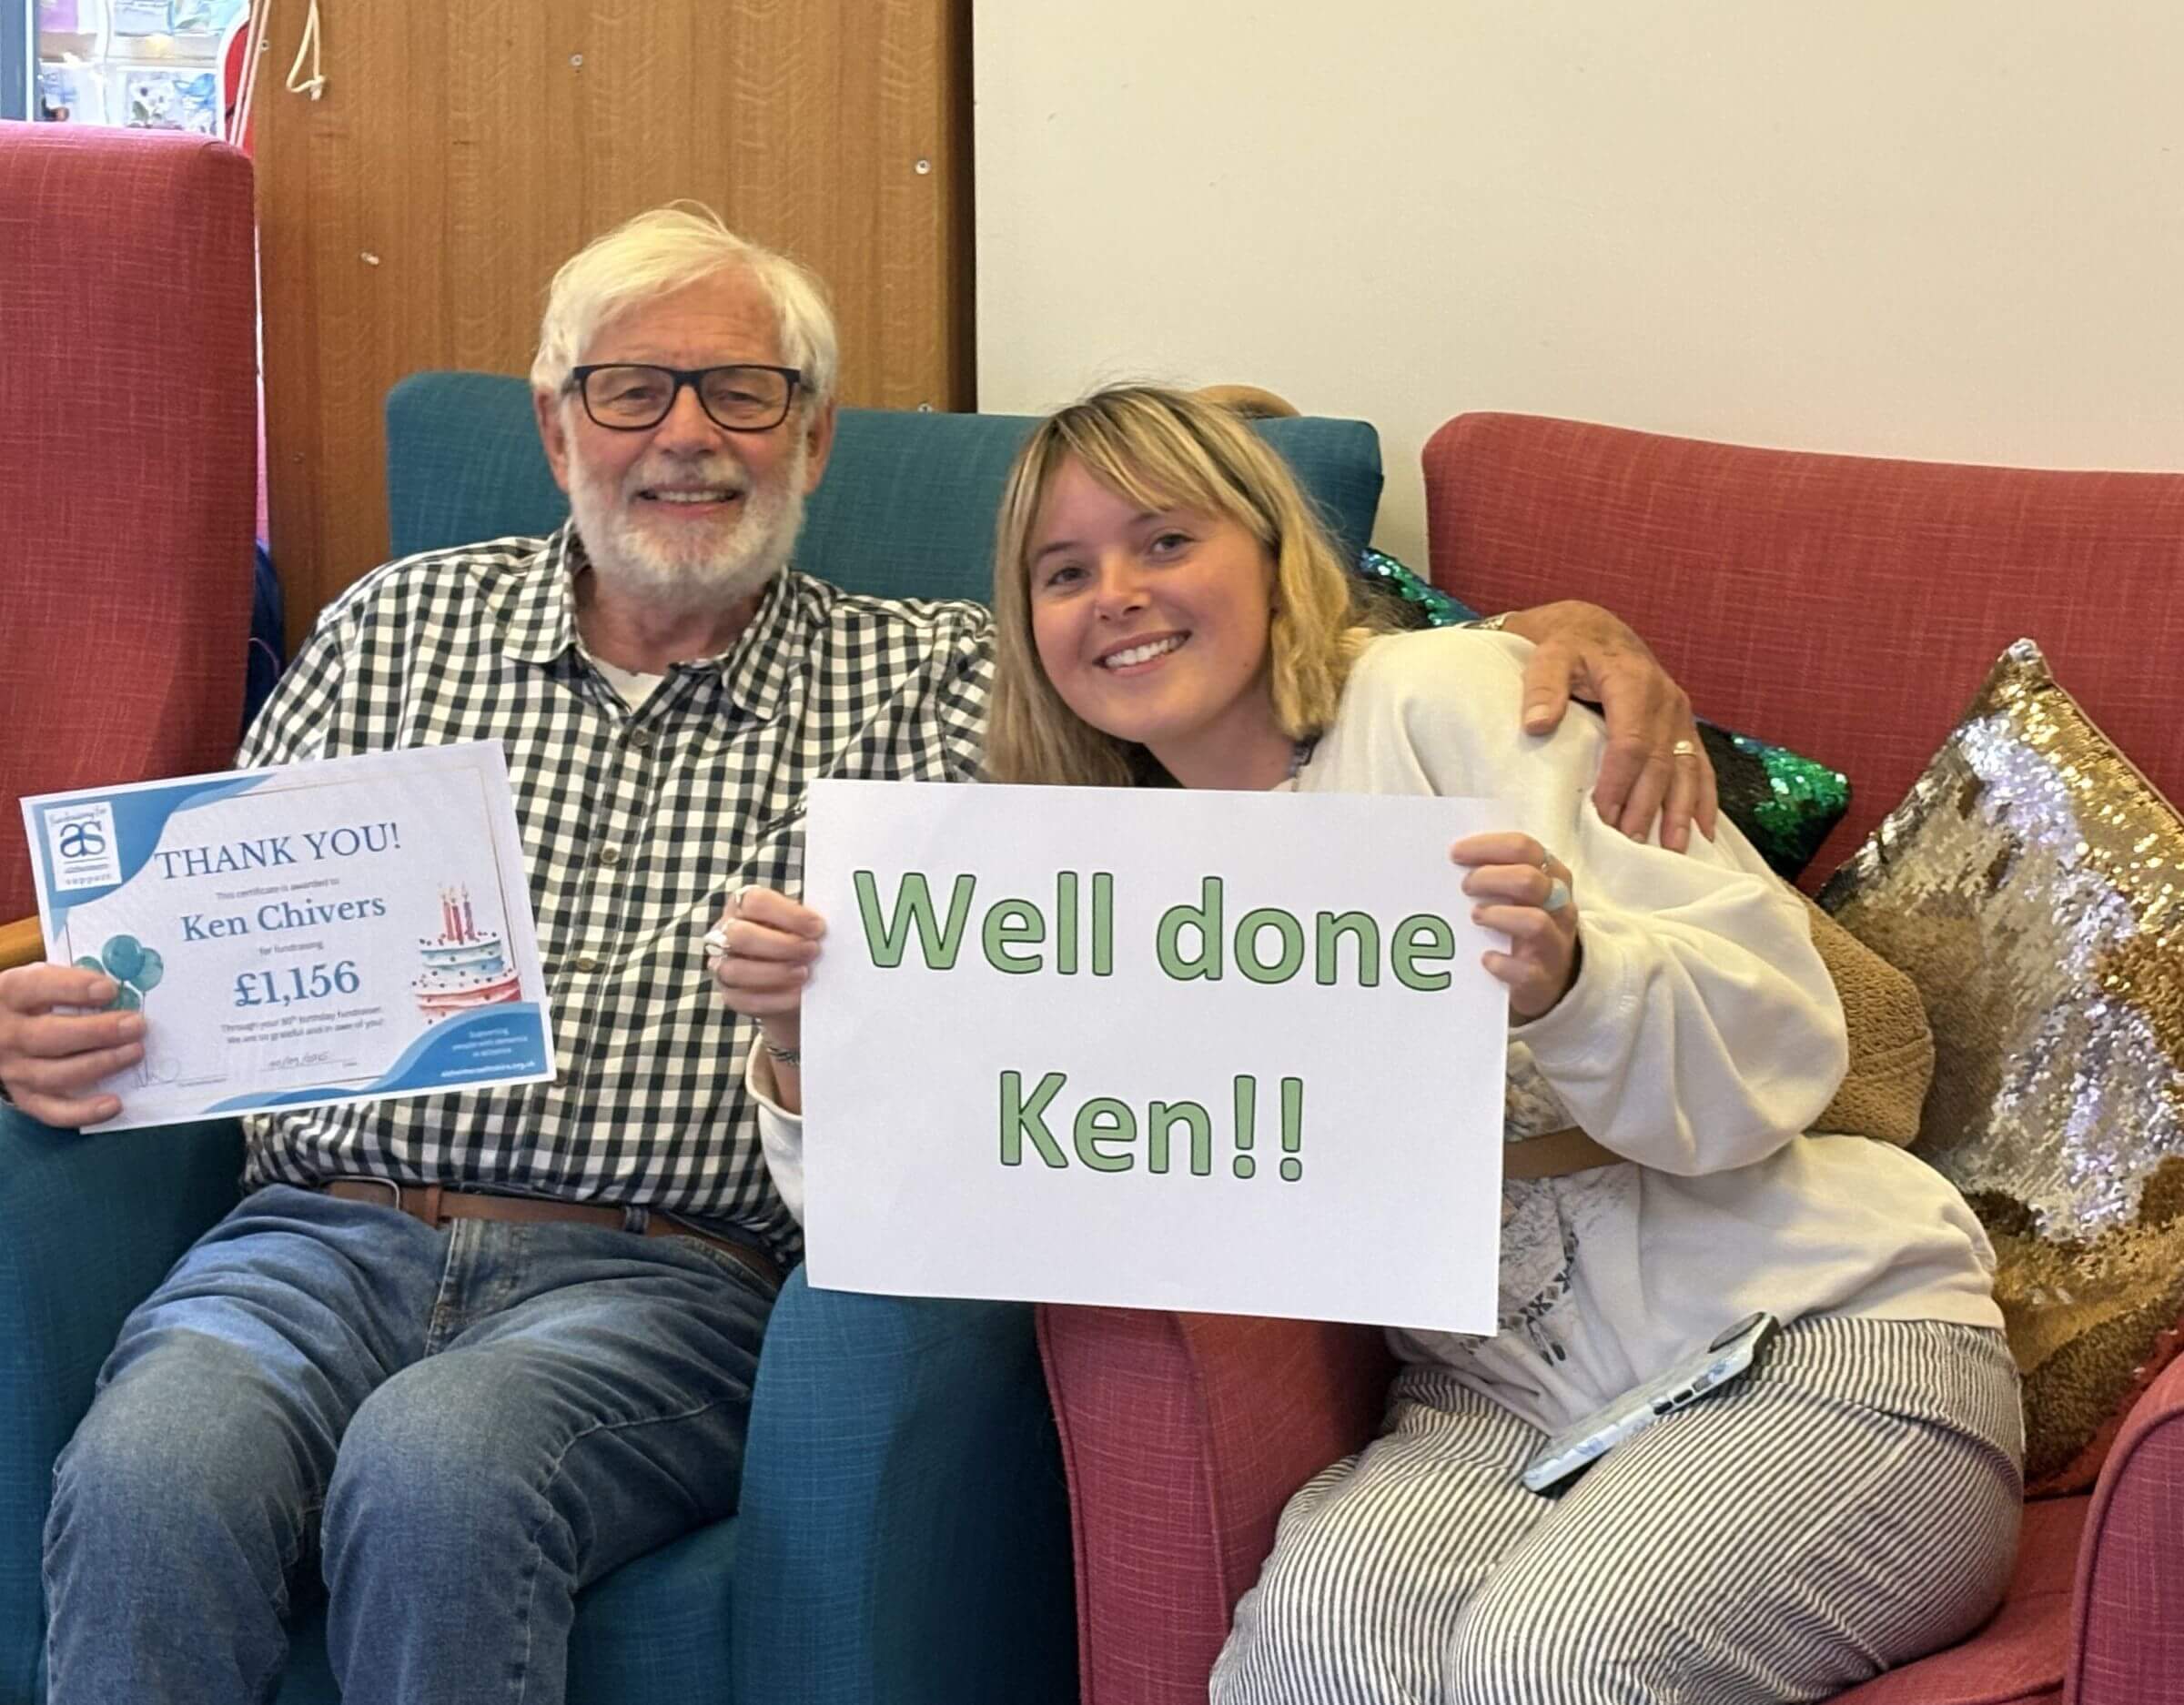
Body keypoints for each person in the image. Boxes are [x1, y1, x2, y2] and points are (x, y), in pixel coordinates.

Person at [0, 211, 1715, 1705]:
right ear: (555, 427)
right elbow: (201, 939)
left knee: (443, 1466)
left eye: (744, 392)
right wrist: (81, 1018)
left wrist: (1561, 639)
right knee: (153, 1468)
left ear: (814, 441)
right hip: (316, 1231)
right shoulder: (391, 623)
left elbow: (1256, 692)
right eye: (631, 387)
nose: (687, 434)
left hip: (663, 1279)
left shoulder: (953, 680)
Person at [718, 386, 2020, 1705]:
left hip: (1812, 1335)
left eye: (1165, 541)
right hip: (1495, 1402)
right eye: (1065, 570)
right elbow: (947, 1210)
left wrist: (1572, 976)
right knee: (1310, 1659)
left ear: (1276, 557)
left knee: (1557, 1664)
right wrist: (805, 1043)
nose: (1115, 591)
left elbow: (1786, 1042)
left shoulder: (1448, 700)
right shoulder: (1089, 890)